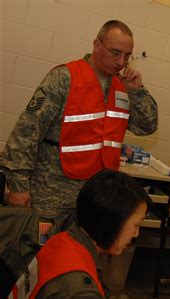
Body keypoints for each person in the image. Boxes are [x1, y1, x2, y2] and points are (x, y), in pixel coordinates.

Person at [0, 20, 158, 233]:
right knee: (38, 253)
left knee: (73, 258)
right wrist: (18, 186)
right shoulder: (64, 77)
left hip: (94, 199)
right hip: (50, 194)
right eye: (115, 53)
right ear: (97, 45)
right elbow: (26, 132)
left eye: (128, 56)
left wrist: (137, 91)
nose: (121, 62)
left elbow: (147, 126)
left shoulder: (123, 88)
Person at [2, 169, 170, 299]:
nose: (136, 234)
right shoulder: (80, 293)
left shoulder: (64, 239)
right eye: (135, 225)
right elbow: (84, 298)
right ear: (111, 223)